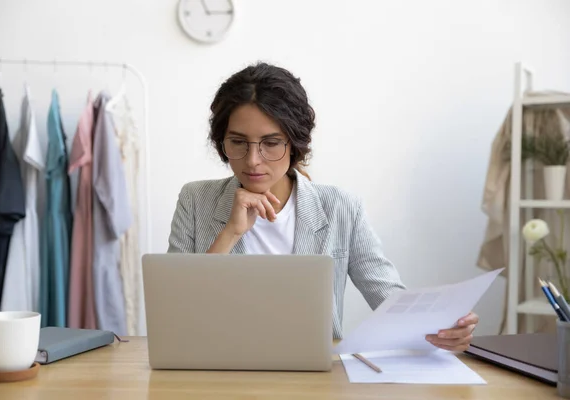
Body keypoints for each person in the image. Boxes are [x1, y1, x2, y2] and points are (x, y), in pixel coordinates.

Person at [167, 62, 478, 351]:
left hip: (312, 373)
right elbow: (175, 312)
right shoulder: (196, 201)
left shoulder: (341, 207)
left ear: (296, 142)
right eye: (238, 142)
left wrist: (441, 328)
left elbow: (389, 299)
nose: (252, 160)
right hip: (218, 369)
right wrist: (230, 233)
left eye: (271, 143)